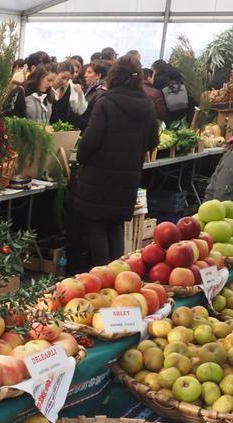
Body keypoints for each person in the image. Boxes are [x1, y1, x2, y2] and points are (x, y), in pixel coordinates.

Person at [68, 55, 157, 271]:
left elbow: (90, 142)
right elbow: (153, 141)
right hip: (127, 177)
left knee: (96, 226)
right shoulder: (147, 105)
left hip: (98, 178)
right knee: (115, 225)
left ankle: (100, 278)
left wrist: (79, 156)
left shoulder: (106, 103)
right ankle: (118, 277)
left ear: (114, 75)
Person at [77, 60, 109, 128]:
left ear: (98, 75)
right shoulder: (90, 89)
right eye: (86, 72)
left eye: (89, 72)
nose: (85, 75)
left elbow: (93, 116)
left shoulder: (101, 92)